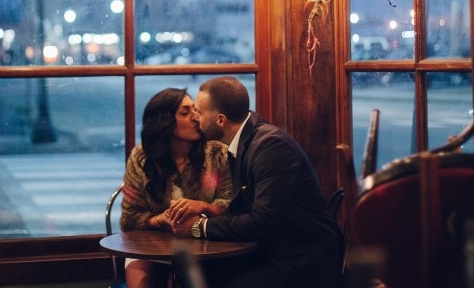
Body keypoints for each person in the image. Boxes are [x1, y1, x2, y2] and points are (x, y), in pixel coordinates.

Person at [172, 76, 341, 288]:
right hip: (272, 252)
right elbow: (244, 212)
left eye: (199, 111)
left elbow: (262, 222)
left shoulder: (270, 146)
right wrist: (206, 210)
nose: (195, 118)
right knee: (191, 269)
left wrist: (199, 226)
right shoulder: (244, 142)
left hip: (302, 260)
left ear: (221, 120)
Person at [120, 87, 232, 288]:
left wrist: (203, 207)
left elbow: (231, 204)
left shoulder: (217, 154)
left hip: (205, 247)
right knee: (141, 280)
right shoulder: (141, 158)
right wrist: (160, 220)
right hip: (152, 247)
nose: (195, 117)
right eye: (185, 112)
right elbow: (129, 218)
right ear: (164, 122)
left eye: (195, 110)